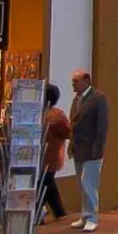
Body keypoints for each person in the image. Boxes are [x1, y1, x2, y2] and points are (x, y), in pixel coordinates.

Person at [69, 69, 109, 233]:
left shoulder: (98, 98)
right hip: (78, 148)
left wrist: (97, 147)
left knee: (89, 183)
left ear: (86, 81)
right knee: (81, 183)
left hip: (92, 149)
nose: (73, 84)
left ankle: (92, 217)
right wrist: (71, 144)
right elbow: (73, 124)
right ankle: (85, 215)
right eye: (73, 81)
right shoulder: (77, 99)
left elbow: (102, 125)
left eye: (76, 81)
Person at [42, 83, 71, 222]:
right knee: (47, 182)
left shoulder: (42, 114)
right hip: (52, 155)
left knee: (44, 183)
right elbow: (67, 132)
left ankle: (41, 212)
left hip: (46, 155)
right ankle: (59, 211)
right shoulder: (57, 115)